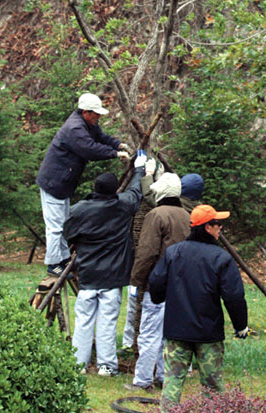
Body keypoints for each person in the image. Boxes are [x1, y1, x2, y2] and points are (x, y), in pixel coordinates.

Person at [148, 204, 250, 407]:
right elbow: (234, 297)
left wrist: (159, 298)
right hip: (208, 334)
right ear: (207, 228)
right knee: (212, 386)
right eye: (217, 224)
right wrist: (241, 326)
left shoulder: (173, 253)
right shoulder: (221, 258)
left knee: (172, 383)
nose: (220, 227)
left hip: (176, 332)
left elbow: (155, 282)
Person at [62, 152, 147, 376]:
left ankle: (78, 364)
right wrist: (139, 169)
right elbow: (136, 192)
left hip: (88, 274)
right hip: (113, 276)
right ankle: (107, 366)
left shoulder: (80, 209)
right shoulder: (122, 207)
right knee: (108, 322)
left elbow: (67, 232)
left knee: (83, 320)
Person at [36, 92, 131, 277]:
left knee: (63, 223)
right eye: (96, 114)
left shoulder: (88, 124)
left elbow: (101, 138)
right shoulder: (75, 129)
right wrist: (115, 154)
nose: (99, 117)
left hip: (62, 183)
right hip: (53, 182)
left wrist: (119, 145)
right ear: (85, 112)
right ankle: (53, 264)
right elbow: (90, 149)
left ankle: (63, 260)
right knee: (55, 226)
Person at [124, 171, 190, 392]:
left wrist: (136, 279)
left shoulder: (156, 215)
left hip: (159, 284)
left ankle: (142, 380)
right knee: (169, 334)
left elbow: (148, 252)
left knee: (150, 333)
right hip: (181, 285)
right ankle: (164, 376)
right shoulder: (187, 216)